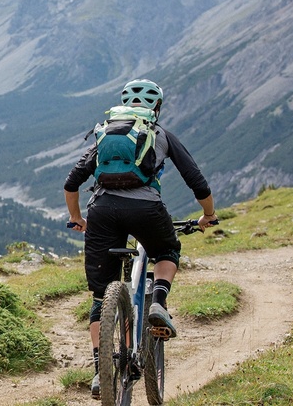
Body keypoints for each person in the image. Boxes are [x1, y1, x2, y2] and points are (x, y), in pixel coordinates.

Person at [63, 78, 218, 399]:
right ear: (156, 107)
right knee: (167, 251)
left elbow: (72, 182)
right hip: (147, 210)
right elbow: (197, 181)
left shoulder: (105, 133)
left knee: (100, 296)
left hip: (102, 211)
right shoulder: (160, 134)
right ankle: (158, 302)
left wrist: (77, 218)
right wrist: (208, 215)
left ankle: (100, 371)